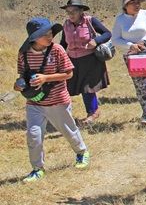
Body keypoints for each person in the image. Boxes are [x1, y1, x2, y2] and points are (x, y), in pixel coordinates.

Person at [14, 17, 90, 183]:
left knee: (68, 131)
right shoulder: (23, 53)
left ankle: (81, 152)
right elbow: (22, 76)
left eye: (51, 33)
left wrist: (45, 78)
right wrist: (19, 84)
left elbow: (69, 73)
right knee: (33, 136)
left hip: (58, 101)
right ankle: (37, 169)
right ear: (33, 37)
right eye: (45, 34)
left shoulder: (57, 50)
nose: (50, 37)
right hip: (34, 103)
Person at [112, 0, 146, 126]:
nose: (136, 5)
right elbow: (115, 39)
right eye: (132, 2)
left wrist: (145, 42)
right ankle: (145, 109)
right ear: (125, 5)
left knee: (144, 84)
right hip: (130, 56)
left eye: (138, 2)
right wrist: (130, 45)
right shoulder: (120, 19)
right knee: (138, 85)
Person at [59, 0, 111, 124]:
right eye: (68, 11)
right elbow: (63, 43)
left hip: (90, 60)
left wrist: (96, 41)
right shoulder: (66, 24)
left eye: (74, 11)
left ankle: (92, 112)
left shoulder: (90, 21)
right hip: (73, 60)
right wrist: (59, 56)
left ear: (81, 11)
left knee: (88, 87)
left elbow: (107, 33)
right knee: (75, 87)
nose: (71, 14)